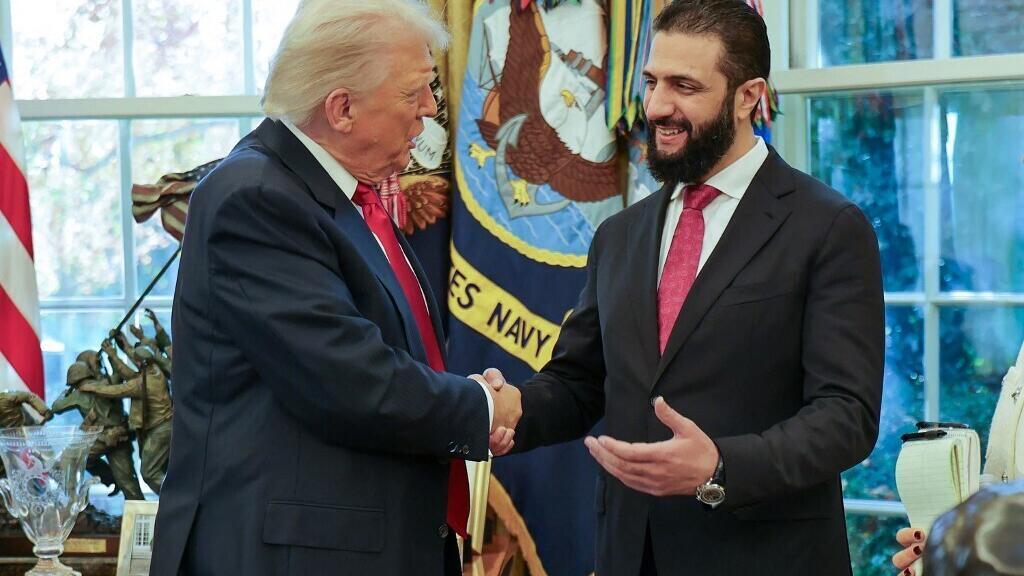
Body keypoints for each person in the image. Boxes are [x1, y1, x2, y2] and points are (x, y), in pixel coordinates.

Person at [483, 1, 885, 574]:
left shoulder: (828, 227)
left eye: (684, 86)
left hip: (764, 560)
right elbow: (581, 382)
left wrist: (719, 465)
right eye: (651, 82)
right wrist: (512, 409)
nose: (656, 107)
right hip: (628, 556)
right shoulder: (620, 234)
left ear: (748, 97)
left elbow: (846, 416)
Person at [148, 2, 520, 575]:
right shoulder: (255, 197)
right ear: (342, 108)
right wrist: (481, 406)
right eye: (415, 91)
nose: (430, 108)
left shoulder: (344, 198)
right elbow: (350, 379)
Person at [79, 340, 173, 493]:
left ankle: (175, 498)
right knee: (156, 469)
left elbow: (116, 390)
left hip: (160, 430)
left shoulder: (141, 383)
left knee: (149, 473)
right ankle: (175, 499)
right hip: (161, 427)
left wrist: (93, 387)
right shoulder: (154, 370)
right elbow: (127, 372)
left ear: (140, 363)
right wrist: (116, 348)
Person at [51, 360, 146, 501]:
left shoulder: (78, 394)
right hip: (121, 435)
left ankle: (74, 503)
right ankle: (138, 508)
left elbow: (56, 408)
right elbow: (117, 374)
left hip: (101, 438)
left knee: (71, 458)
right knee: (126, 479)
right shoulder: (107, 383)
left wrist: (64, 394)